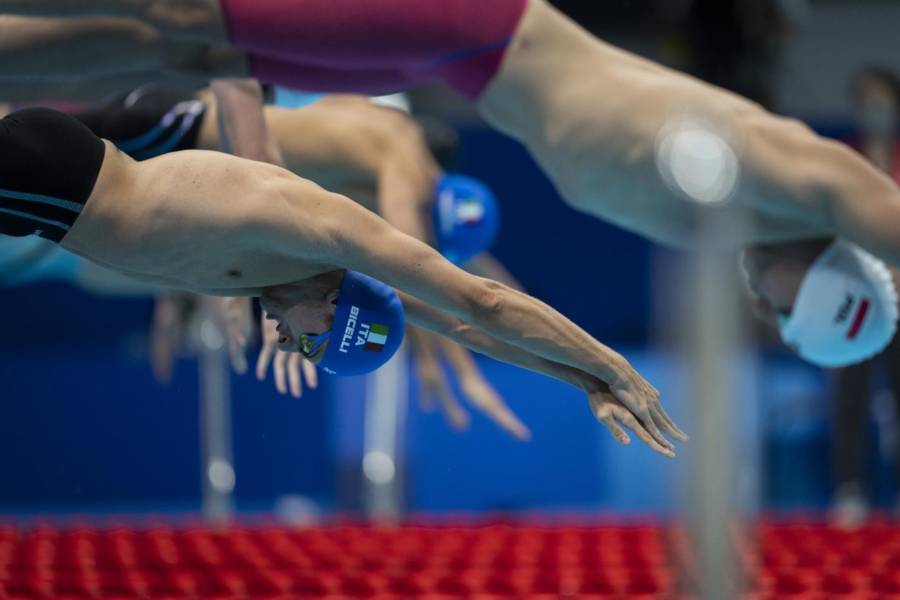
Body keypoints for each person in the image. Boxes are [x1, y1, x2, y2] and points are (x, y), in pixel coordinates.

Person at [0, 105, 685, 455]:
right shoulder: (321, 232)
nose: (290, 345)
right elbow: (482, 298)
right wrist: (613, 366)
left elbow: (466, 326)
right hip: (59, 176)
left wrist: (581, 383)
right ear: (337, 307)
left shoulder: (282, 279)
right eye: (312, 343)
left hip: (48, 211)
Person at [64, 84, 527, 436]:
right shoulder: (401, 157)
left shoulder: (365, 153)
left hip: (181, 152)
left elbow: (471, 272)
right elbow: (425, 274)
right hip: (174, 125)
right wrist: (455, 371)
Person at [829, 67, 900, 527]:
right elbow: (828, 231)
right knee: (849, 399)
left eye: (881, 98)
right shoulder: (840, 162)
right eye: (865, 99)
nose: (874, 107)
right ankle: (850, 489)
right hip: (851, 303)